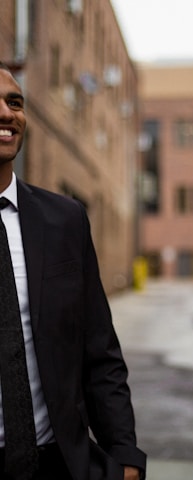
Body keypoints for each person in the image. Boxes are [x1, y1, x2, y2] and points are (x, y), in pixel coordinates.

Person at [0, 61, 146, 480]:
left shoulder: (63, 220)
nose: (8, 114)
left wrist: (125, 453)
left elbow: (98, 350)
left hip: (57, 463)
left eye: (16, 102)